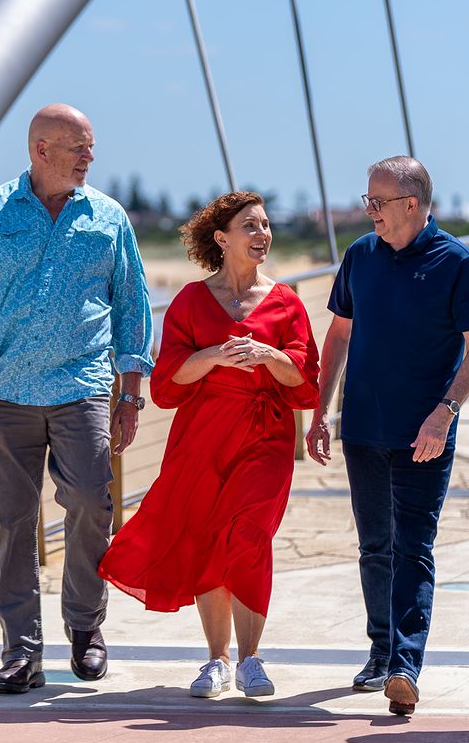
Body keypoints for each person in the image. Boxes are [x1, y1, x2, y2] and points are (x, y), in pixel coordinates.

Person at [0, 103, 154, 694]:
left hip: (84, 390)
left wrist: (131, 394)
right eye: (79, 147)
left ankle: (85, 625)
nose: (90, 157)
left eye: (91, 146)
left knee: (91, 503)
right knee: (11, 522)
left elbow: (133, 308)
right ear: (41, 149)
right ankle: (21, 651)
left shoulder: (108, 217)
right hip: (6, 394)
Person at [99, 191, 320, 698]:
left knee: (248, 535)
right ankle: (217, 660)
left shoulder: (285, 302)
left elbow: (305, 381)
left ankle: (251, 660)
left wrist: (268, 355)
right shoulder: (191, 301)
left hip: (265, 435)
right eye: (251, 226)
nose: (263, 234)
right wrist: (215, 355)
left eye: (266, 225)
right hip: (202, 438)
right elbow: (167, 383)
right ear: (222, 238)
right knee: (207, 540)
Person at [305, 156, 469, 716]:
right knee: (373, 545)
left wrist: (444, 414)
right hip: (364, 428)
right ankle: (382, 649)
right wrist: (321, 411)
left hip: (424, 436)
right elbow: (339, 336)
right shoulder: (360, 255)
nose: (370, 211)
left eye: (377, 202)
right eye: (368, 200)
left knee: (412, 547)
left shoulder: (458, 263)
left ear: (411, 204)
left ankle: (405, 666)